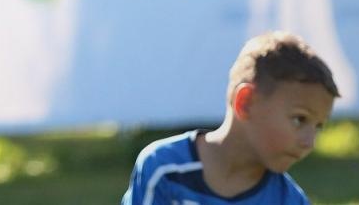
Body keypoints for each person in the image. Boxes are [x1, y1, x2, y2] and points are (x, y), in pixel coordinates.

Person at [121, 30, 339, 204]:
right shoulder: (165, 168)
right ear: (245, 102)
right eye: (299, 119)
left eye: (318, 126)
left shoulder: (289, 200)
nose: (309, 142)